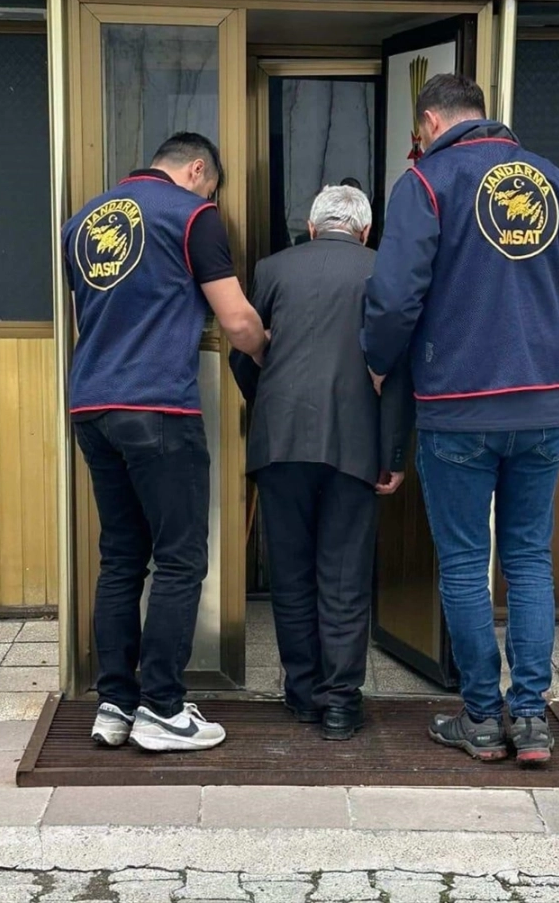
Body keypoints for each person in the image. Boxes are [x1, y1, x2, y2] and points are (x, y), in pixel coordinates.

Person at [362, 74, 559, 765]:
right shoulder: (556, 184)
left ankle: (482, 719)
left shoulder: (427, 184)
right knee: (528, 559)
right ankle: (531, 719)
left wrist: (379, 361)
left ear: (431, 122)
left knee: (466, 562)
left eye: (418, 133)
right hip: (544, 404)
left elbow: (394, 298)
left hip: (457, 406)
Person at [62, 132, 266, 753]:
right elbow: (236, 319)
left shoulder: (83, 222)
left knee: (122, 556)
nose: (212, 200)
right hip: (157, 407)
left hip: (91, 405)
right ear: (198, 169)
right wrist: (269, 356)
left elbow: (93, 316)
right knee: (180, 559)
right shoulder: (192, 216)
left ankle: (115, 704)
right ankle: (162, 709)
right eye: (213, 189)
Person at [234, 185, 412, 741]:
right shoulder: (382, 270)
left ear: (311, 228)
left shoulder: (272, 269)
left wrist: (269, 403)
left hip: (280, 442)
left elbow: (244, 353)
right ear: (366, 231)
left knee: (291, 574)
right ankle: (341, 703)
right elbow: (397, 368)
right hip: (354, 444)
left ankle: (303, 693)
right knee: (344, 574)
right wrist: (394, 452)